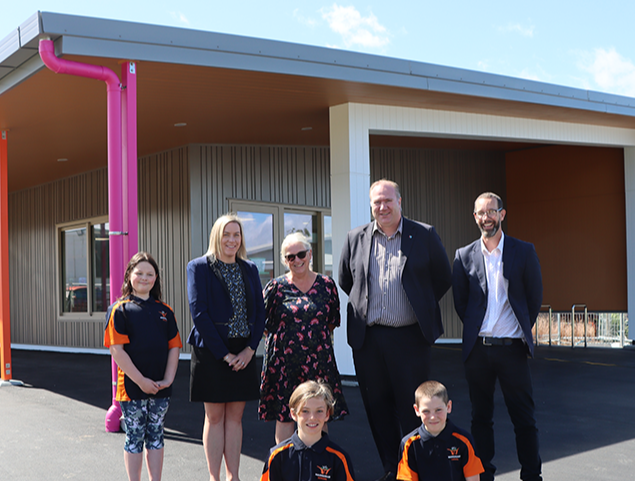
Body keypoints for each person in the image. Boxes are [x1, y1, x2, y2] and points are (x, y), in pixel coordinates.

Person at [338, 179, 452, 481]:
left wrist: (420, 304)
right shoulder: (356, 238)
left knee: (412, 406)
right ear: (371, 205)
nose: (383, 207)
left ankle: (416, 466)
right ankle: (392, 468)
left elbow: (442, 277)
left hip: (410, 338)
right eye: (377, 202)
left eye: (388, 200)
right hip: (369, 339)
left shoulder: (423, 235)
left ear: (399, 201)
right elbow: (346, 280)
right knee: (377, 408)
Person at [451, 192, 543, 481]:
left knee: (524, 419)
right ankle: (484, 475)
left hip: (512, 349)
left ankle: (531, 475)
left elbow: (533, 298)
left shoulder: (523, 251)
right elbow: (461, 303)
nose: (486, 217)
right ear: (474, 217)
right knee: (481, 418)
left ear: (502, 214)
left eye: (492, 211)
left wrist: (517, 330)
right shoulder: (463, 256)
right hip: (478, 350)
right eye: (480, 212)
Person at [187, 213, 267, 481]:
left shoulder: (250, 269)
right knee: (214, 417)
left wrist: (249, 350)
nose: (232, 240)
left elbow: (259, 314)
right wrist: (224, 354)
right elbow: (199, 314)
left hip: (243, 351)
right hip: (211, 351)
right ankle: (215, 477)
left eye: (236, 234)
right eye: (226, 234)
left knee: (236, 417)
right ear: (216, 236)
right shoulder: (199, 267)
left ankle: (234, 476)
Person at [260, 232, 349, 444]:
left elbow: (331, 322)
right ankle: (284, 467)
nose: (297, 260)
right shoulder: (275, 288)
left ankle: (320, 466)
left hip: (318, 362)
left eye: (301, 254)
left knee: (318, 413)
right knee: (285, 417)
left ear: (310, 254)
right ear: (284, 260)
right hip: (283, 366)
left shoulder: (327, 285)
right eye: (291, 257)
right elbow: (264, 326)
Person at [104, 252, 182, 481]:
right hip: (132, 388)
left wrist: (168, 379)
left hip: (160, 387)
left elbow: (174, 347)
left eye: (150, 274)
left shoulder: (165, 311)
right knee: (135, 437)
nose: (144, 278)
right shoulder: (120, 310)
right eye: (139, 273)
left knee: (156, 434)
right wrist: (141, 381)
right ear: (129, 275)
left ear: (156, 278)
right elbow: (117, 351)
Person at [260, 380, 356, 481]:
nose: (312, 417)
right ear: (293, 414)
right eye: (305, 411)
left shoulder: (339, 458)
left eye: (319, 411)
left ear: (327, 414)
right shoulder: (277, 455)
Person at [397, 381, 484, 481]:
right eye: (426, 411)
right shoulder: (409, 444)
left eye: (438, 410)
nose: (433, 417)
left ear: (448, 407)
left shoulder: (464, 440)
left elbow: (473, 478)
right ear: (417, 410)